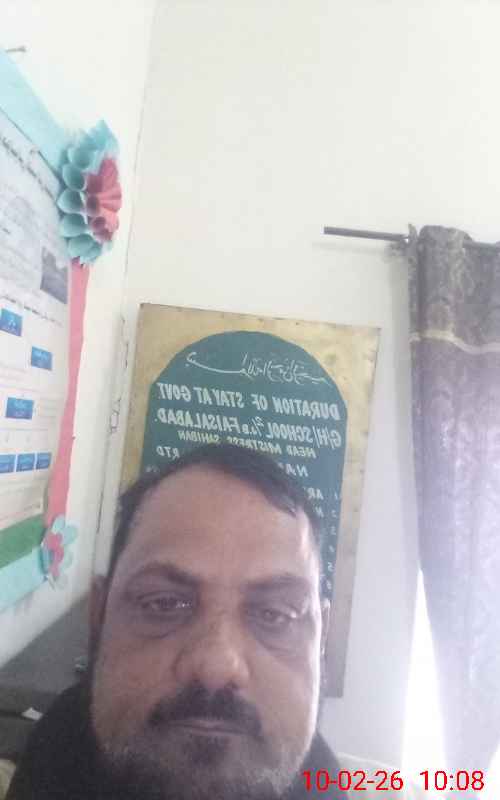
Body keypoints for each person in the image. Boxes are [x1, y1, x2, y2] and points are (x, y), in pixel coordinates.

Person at [7, 444, 424, 800]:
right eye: (164, 603)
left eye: (275, 614)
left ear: (321, 641)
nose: (216, 665)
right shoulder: (52, 754)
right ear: (98, 617)